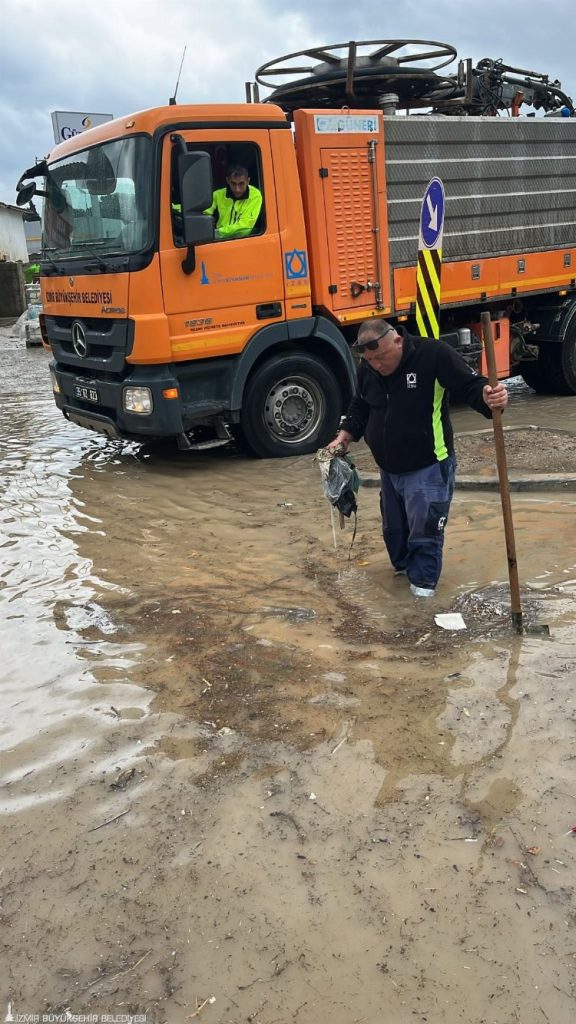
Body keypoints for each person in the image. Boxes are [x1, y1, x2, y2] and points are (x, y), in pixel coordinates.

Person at [330, 320, 508, 598]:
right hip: (389, 471)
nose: (377, 365)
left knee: (424, 535)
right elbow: (361, 405)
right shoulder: (368, 367)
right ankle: (401, 588)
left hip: (428, 466)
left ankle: (423, 601)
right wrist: (344, 436)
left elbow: (471, 386)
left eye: (381, 357)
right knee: (394, 533)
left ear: (398, 341)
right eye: (371, 360)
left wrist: (489, 396)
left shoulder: (433, 355)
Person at [204, 165, 262, 241]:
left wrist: (216, 234)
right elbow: (203, 213)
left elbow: (245, 226)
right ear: (227, 180)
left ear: (248, 181)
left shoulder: (255, 195)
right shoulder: (218, 194)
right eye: (233, 184)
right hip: (218, 240)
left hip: (244, 240)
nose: (237, 189)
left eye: (241, 184)